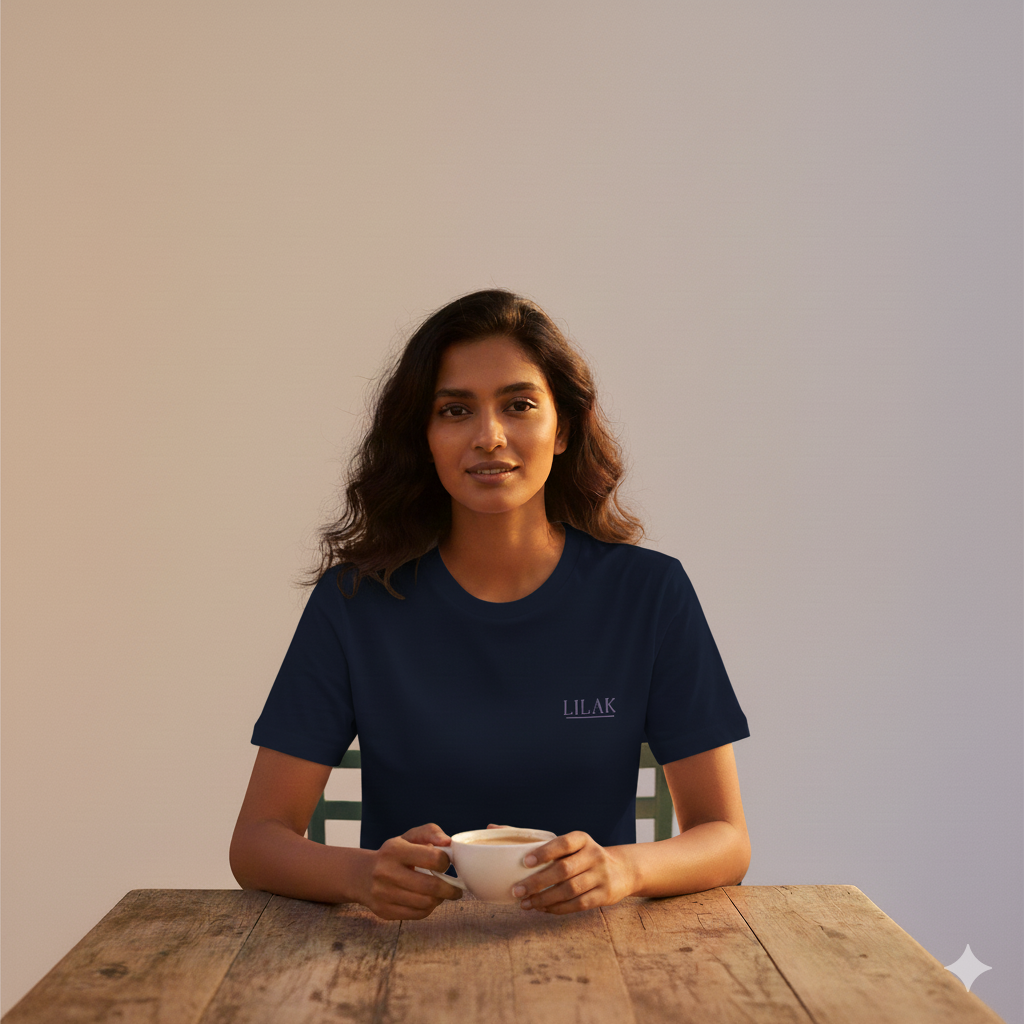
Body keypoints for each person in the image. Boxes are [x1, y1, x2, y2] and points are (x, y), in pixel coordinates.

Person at [230, 289, 750, 920]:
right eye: (455, 410)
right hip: (397, 960)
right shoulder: (353, 603)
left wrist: (623, 869)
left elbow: (725, 836)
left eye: (520, 405)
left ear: (564, 429)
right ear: (424, 437)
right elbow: (256, 841)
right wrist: (361, 874)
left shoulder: (650, 594)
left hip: (597, 957)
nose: (489, 436)